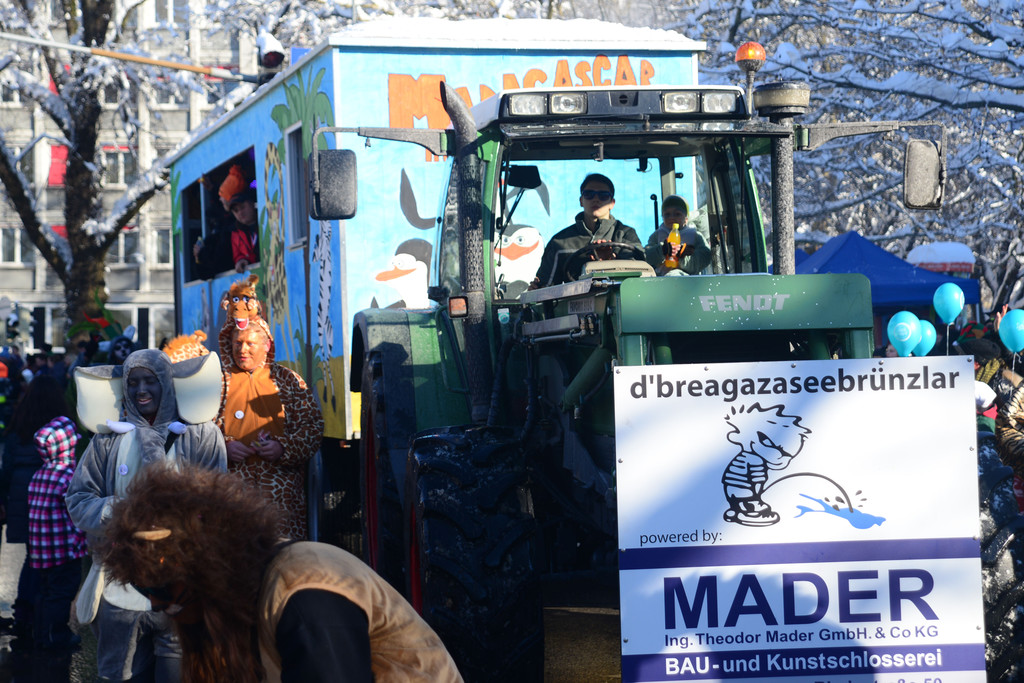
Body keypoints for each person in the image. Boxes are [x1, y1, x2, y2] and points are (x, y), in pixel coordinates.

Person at [96, 464, 463, 683]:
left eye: (159, 588)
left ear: (205, 566)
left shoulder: (305, 594)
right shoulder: (246, 598)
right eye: (142, 589)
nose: (155, 604)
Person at [67, 348, 227, 683]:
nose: (141, 390)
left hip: (182, 588)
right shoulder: (107, 439)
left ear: (167, 382)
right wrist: (119, 510)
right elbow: (78, 499)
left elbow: (219, 504)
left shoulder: (202, 434)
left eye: (150, 381)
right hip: (120, 589)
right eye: (133, 382)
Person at [216, 280, 323, 539]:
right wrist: (224, 447)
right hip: (231, 496)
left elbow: (313, 427)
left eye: (250, 343)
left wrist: (283, 448)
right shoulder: (216, 383)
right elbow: (199, 430)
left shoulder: (289, 380)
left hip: (282, 497)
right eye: (237, 343)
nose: (242, 349)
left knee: (284, 556)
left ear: (266, 345)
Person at [0, 375, 71, 642]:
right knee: (49, 563)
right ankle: (43, 622)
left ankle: (24, 616)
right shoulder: (59, 429)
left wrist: (4, 500)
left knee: (31, 558)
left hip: (21, 497)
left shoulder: (18, 425)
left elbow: (7, 468)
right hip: (47, 497)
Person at [27, 415, 87, 650]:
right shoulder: (68, 476)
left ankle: (42, 634)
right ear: (67, 446)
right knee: (62, 593)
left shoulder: (40, 473)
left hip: (41, 550)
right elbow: (77, 511)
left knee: (45, 592)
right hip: (64, 550)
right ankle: (57, 636)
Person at [530, 173, 642, 288]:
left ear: (612, 203)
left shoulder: (625, 234)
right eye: (589, 194)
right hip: (573, 299)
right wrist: (536, 289)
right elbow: (546, 287)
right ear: (581, 201)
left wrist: (611, 261)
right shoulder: (559, 241)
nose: (596, 199)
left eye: (603, 195)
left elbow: (639, 276)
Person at [644, 194, 711, 275]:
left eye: (677, 214)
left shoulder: (695, 236)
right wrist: (661, 250)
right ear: (662, 217)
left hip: (686, 278)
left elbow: (705, 257)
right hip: (660, 277)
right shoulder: (657, 236)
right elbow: (646, 256)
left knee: (673, 275)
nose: (671, 217)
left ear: (686, 219)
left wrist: (682, 256)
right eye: (667, 214)